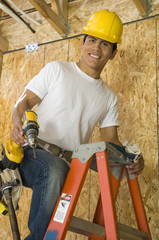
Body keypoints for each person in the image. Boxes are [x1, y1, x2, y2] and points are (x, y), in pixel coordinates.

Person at [10, 9, 144, 240]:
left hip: (67, 166)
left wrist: (132, 158)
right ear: (82, 43)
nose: (96, 48)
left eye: (105, 44)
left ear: (113, 53)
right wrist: (17, 120)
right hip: (32, 153)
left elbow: (111, 140)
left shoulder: (109, 97)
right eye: (91, 40)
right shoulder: (57, 70)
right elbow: (25, 102)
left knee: (59, 169)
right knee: (54, 170)